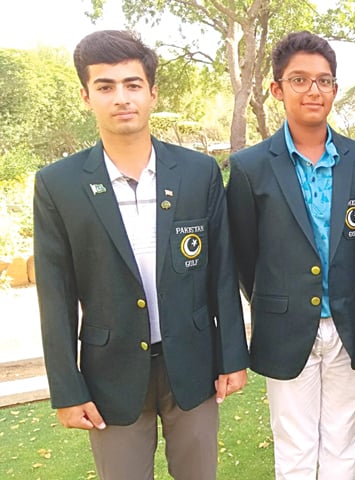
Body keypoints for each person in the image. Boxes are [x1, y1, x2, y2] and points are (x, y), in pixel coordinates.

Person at [33, 30, 249, 479]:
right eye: (105, 86)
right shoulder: (58, 184)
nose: (121, 98)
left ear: (152, 93)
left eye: (132, 84)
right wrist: (66, 388)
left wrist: (232, 357)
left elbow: (222, 273)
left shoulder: (198, 172)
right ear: (85, 96)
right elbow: (54, 295)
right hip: (109, 372)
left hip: (192, 364)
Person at [226, 31, 355, 479]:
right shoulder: (250, 166)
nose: (313, 90)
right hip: (285, 324)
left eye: (323, 80)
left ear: (335, 88)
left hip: (347, 323)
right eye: (299, 80)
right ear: (278, 89)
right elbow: (243, 254)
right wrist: (277, 297)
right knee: (295, 447)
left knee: (341, 440)